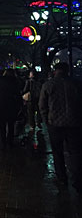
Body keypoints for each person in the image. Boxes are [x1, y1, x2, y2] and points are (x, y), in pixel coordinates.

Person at [39, 62, 82, 194]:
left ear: (55, 71)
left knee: (57, 153)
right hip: (74, 123)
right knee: (75, 152)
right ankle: (77, 180)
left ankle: (62, 178)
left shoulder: (48, 85)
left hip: (55, 124)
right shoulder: (76, 84)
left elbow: (42, 105)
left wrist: (46, 120)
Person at [0, 69, 21, 148]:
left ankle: (3, 142)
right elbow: (18, 94)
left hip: (1, 105)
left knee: (2, 126)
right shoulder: (15, 82)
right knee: (11, 125)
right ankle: (10, 141)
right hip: (11, 105)